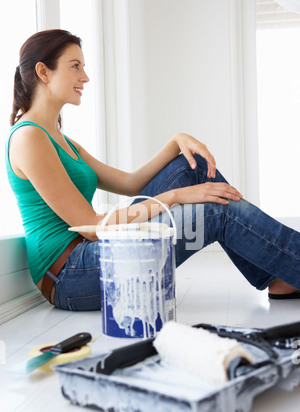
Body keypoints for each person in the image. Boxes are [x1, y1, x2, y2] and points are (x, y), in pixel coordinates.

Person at [5, 29, 300, 312]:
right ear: (44, 72)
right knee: (214, 210)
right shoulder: (29, 138)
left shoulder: (61, 140)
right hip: (72, 276)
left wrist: (176, 141)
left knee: (189, 167)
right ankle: (288, 269)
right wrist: (176, 197)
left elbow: (131, 183)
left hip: (92, 256)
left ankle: (279, 277)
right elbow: (91, 226)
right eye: (75, 66)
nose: (85, 76)